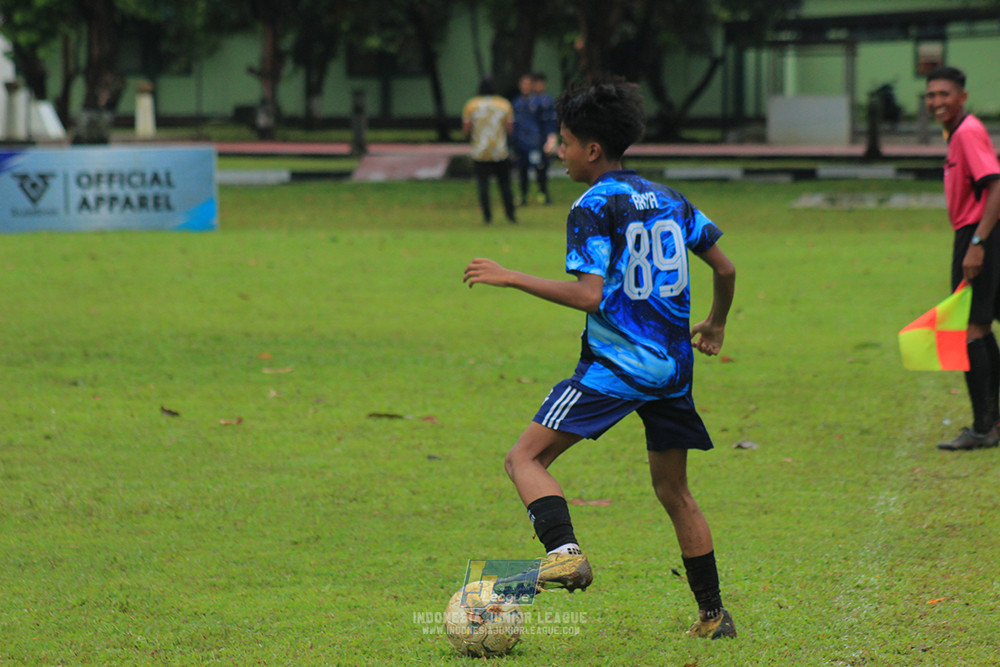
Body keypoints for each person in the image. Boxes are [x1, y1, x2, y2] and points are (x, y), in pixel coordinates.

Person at [463, 80, 738, 639]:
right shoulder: (670, 199)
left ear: (592, 150)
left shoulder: (592, 204)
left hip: (618, 366)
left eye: (564, 142)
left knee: (523, 459)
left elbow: (590, 296)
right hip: (672, 368)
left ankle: (564, 554)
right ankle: (713, 617)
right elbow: (726, 267)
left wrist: (511, 277)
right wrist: (715, 323)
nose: (558, 152)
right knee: (675, 491)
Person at [925, 66, 1000, 451]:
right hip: (975, 234)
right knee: (979, 326)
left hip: (977, 234)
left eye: (944, 94)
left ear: (962, 97)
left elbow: (996, 185)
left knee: (972, 329)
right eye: (931, 95)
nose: (937, 101)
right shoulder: (958, 132)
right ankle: (992, 422)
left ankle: (984, 428)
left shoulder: (968, 132)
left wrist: (977, 242)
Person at [462, 78, 517, 224]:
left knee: (483, 186)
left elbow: (466, 127)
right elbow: (510, 128)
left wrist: (472, 138)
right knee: (505, 185)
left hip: (480, 152)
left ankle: (487, 217)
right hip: (500, 151)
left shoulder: (472, 105)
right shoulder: (504, 104)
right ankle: (510, 214)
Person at [511, 73, 557, 206]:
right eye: (523, 84)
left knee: (540, 168)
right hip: (521, 143)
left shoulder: (539, 103)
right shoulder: (517, 103)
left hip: (535, 142)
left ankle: (543, 193)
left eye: (528, 84)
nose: (525, 87)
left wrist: (549, 139)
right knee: (522, 170)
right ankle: (524, 196)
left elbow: (547, 123)